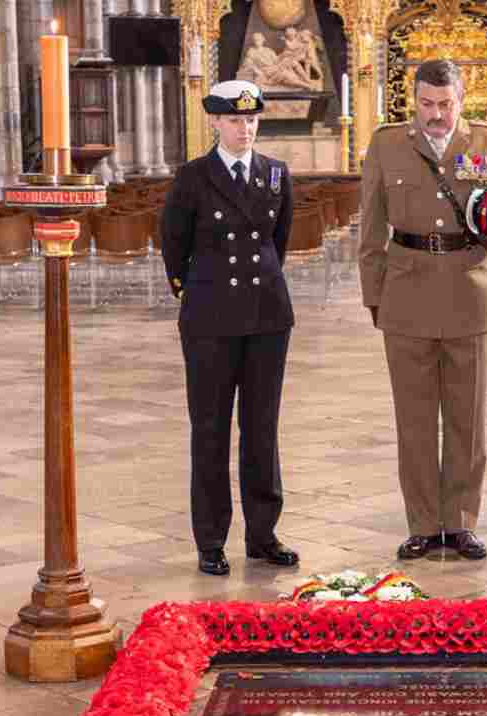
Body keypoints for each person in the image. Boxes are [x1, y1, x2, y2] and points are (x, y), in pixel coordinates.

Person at [358, 58, 487, 561]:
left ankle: (460, 524)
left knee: (468, 420)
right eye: (425, 104)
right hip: (406, 295)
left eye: (445, 104)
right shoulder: (387, 143)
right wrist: (376, 299)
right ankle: (421, 524)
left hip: (468, 294)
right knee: (414, 422)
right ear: (412, 100)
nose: (435, 115)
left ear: (462, 100)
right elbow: (371, 231)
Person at [160, 79, 299, 576]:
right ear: (215, 122)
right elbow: (173, 244)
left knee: (262, 429)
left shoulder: (276, 175)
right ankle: (211, 539)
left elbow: (277, 243)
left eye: (252, 119)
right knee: (211, 429)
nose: (246, 128)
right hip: (210, 319)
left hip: (266, 316)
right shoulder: (193, 177)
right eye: (236, 120)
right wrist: (197, 291)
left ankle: (263, 535)